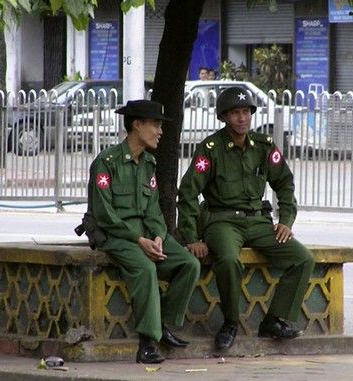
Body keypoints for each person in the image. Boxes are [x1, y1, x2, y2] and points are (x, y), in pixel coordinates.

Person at [177, 87, 315, 350]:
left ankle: (273, 320)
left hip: (258, 221)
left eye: (246, 112)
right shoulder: (210, 148)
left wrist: (286, 219)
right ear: (223, 117)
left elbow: (284, 182)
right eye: (235, 113)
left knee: (302, 258)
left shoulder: (263, 146)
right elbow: (188, 193)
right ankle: (230, 322)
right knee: (228, 260)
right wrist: (192, 237)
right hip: (222, 221)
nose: (242, 118)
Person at [85, 99, 200, 364]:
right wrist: (139, 240)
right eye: (155, 124)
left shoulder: (149, 163)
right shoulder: (107, 162)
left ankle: (165, 325)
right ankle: (147, 343)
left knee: (188, 264)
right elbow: (104, 214)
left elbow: (153, 210)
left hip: (146, 234)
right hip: (116, 236)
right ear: (137, 125)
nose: (160, 131)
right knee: (145, 269)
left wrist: (158, 236)